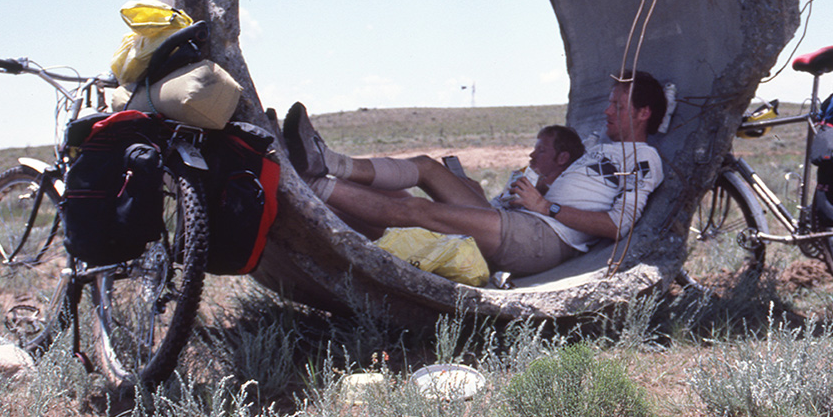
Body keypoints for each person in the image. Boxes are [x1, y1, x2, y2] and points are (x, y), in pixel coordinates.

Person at [284, 70, 667, 277]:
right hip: (524, 219)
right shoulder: (605, 149)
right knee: (425, 168)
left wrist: (546, 205)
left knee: (419, 213)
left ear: (643, 113)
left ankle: (307, 184)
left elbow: (618, 225)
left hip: (542, 238)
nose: (607, 112)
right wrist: (541, 189)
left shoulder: (642, 158)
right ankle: (327, 163)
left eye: (618, 106)